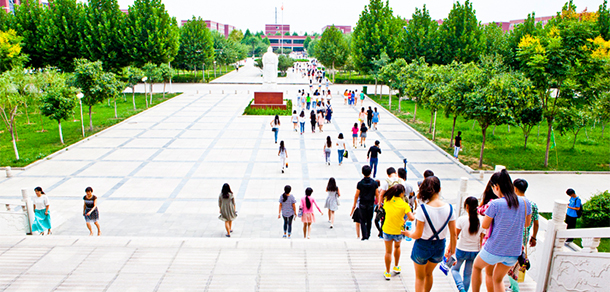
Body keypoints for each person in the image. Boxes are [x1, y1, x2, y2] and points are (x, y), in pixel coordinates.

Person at [471, 169, 532, 292]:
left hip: (494, 249)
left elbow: (485, 225)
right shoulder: (526, 203)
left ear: (496, 187)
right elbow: (527, 224)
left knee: (477, 267)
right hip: (513, 252)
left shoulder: (495, 204)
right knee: (498, 279)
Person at [402, 176, 457, 292]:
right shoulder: (450, 208)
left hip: (422, 245)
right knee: (429, 274)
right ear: (440, 189)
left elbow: (417, 234)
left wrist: (408, 234)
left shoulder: (423, 209)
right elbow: (454, 234)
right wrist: (453, 252)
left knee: (420, 277)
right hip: (440, 246)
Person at [509, 178, 539, 292]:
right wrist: (534, 237)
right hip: (523, 240)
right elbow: (536, 223)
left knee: (509, 266)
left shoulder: (512, 203)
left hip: (511, 239)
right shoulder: (533, 205)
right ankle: (512, 286)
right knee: (516, 264)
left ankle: (515, 288)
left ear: (515, 188)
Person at [382, 184, 415, 280]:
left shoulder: (387, 201)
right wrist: (407, 217)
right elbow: (412, 218)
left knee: (388, 251)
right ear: (402, 194)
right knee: (397, 247)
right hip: (399, 230)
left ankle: (387, 272)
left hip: (387, 229)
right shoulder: (404, 205)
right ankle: (396, 266)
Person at [452, 197, 483, 292]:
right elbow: (482, 240)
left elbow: (455, 236)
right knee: (468, 274)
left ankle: (461, 288)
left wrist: (451, 250)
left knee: (454, 270)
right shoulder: (482, 220)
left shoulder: (462, 219)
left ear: (467, 206)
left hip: (461, 249)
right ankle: (464, 289)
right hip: (475, 251)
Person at [350, 165, 379, 240]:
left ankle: (364, 236)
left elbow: (356, 195)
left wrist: (354, 204)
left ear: (362, 172)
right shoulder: (374, 183)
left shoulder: (360, 183)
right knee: (369, 220)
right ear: (370, 172)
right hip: (370, 204)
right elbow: (377, 194)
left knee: (362, 220)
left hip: (362, 203)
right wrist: (378, 203)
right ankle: (368, 234)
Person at [376, 167, 405, 238]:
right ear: (395, 173)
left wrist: (379, 204)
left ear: (388, 174)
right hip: (400, 204)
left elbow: (381, 194)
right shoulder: (401, 181)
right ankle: (401, 234)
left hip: (389, 205)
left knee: (387, 220)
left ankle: (386, 235)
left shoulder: (386, 181)